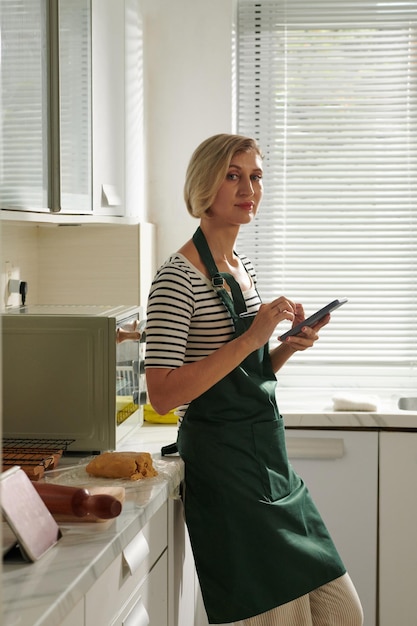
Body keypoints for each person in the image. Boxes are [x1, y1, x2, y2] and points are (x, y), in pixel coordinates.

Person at [144, 134, 363, 626]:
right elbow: (162, 394)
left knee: (344, 615)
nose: (249, 188)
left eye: (256, 176)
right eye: (233, 175)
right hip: (227, 474)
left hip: (271, 463)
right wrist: (252, 337)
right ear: (205, 185)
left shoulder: (240, 268)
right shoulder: (176, 277)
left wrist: (284, 345)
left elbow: (242, 373)